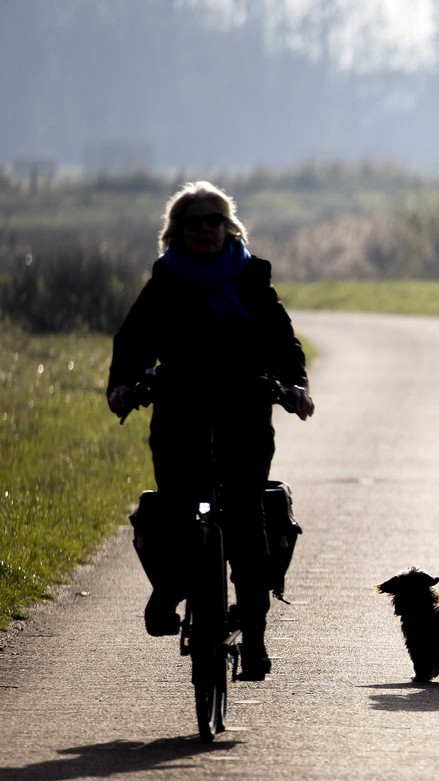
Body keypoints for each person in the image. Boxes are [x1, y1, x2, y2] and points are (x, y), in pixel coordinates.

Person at [107, 181, 314, 681]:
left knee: (245, 517)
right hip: (179, 409)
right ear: (177, 232)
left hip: (244, 409)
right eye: (193, 222)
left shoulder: (251, 279)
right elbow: (133, 339)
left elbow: (282, 341)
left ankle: (258, 639)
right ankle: (167, 591)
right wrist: (122, 386)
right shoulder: (166, 281)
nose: (204, 229)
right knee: (179, 505)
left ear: (229, 227)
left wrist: (296, 385)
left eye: (213, 220)